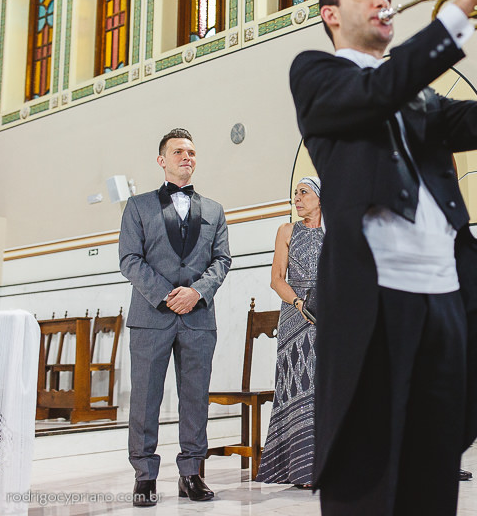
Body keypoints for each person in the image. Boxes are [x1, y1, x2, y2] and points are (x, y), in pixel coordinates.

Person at [289, 0, 477, 515]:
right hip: (375, 298)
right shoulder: (317, 74)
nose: (383, 0)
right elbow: (376, 91)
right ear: (331, 15)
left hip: (444, 295)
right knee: (369, 472)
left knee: (434, 469)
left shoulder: (416, 93)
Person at [119, 128, 231, 507]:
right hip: (152, 316)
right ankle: (145, 476)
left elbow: (223, 260)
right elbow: (129, 260)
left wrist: (197, 292)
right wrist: (168, 295)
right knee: (146, 399)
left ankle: (191, 474)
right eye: (178, 151)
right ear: (161, 160)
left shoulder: (214, 210)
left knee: (196, 398)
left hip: (199, 317)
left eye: (192, 152)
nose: (187, 156)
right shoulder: (137, 206)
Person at [256, 176, 324, 486]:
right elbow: (276, 279)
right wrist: (299, 303)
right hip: (295, 317)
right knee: (298, 386)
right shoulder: (286, 231)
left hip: (329, 315)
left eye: (304, 193)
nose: (297, 198)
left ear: (321, 198)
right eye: (295, 193)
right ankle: (297, 468)